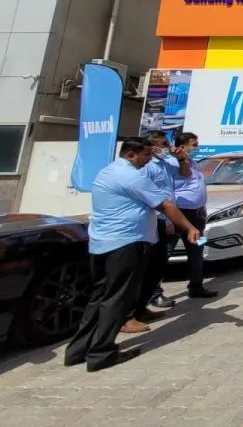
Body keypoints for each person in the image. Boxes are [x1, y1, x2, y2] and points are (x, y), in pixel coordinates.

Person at [65, 138, 198, 372]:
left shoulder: (108, 171)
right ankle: (101, 352)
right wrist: (189, 227)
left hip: (103, 244)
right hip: (124, 245)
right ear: (130, 154)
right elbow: (165, 205)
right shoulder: (132, 177)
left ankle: (78, 350)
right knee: (116, 300)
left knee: (100, 297)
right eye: (145, 155)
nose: (148, 160)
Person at [137, 131, 183, 318]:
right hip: (157, 220)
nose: (166, 147)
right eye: (163, 144)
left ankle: (144, 304)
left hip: (167, 219)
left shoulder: (165, 164)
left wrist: (179, 157)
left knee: (159, 262)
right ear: (152, 146)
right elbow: (149, 197)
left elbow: (181, 173)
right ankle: (146, 301)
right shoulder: (147, 168)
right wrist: (165, 219)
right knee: (151, 263)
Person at [171, 131, 217, 299]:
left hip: (197, 215)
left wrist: (202, 209)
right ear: (182, 146)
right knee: (166, 251)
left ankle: (196, 286)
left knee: (197, 250)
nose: (197, 148)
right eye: (194, 145)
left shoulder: (193, 162)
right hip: (179, 215)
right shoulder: (172, 163)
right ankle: (155, 293)